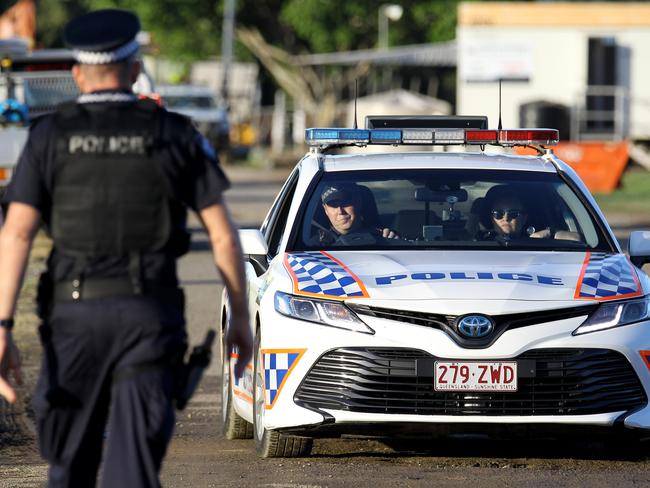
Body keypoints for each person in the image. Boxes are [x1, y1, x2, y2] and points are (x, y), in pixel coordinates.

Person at [0, 9, 252, 488]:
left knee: (68, 466)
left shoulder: (48, 136)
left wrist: (3, 324)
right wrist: (239, 317)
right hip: (149, 317)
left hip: (72, 319)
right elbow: (222, 233)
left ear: (77, 74)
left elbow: (15, 234)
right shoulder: (176, 133)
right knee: (132, 471)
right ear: (135, 70)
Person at [478, 185, 580, 241]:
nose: (506, 218)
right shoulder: (479, 242)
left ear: (524, 218)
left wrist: (550, 233)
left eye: (513, 213)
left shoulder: (537, 239)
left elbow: (580, 240)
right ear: (491, 218)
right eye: (498, 213)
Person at [315, 183, 400, 245]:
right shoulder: (313, 245)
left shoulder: (383, 236)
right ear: (325, 209)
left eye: (345, 203)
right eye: (333, 205)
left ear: (358, 202)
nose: (340, 211)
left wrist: (394, 242)